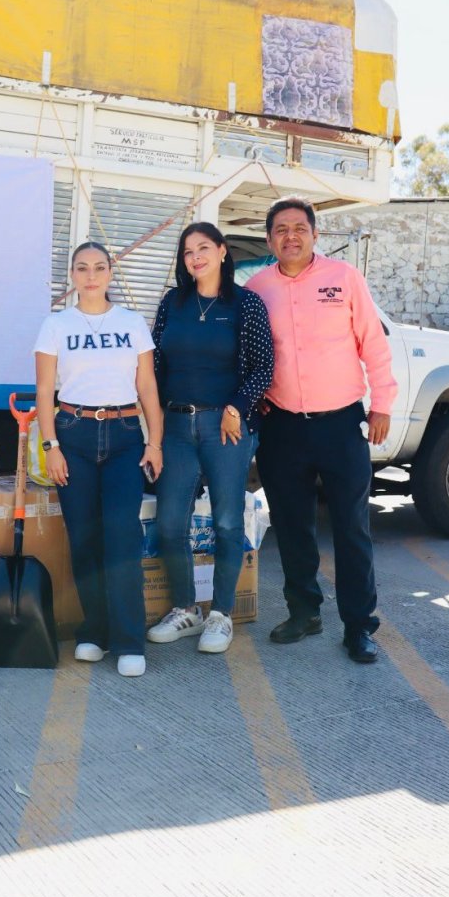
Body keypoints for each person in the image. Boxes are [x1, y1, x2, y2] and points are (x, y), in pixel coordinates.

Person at [246, 197, 397, 664]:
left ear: (314, 234)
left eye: (299, 228)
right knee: (293, 527)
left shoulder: (344, 279)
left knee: (352, 528)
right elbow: (248, 357)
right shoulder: (256, 288)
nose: (290, 236)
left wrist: (383, 405)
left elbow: (373, 344)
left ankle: (358, 627)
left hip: (340, 424)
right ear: (270, 239)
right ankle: (304, 611)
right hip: (282, 427)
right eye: (280, 229)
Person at [34, 242, 164, 678]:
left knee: (122, 536)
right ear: (72, 275)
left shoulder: (131, 323)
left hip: (126, 435)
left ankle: (130, 639)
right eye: (82, 268)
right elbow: (44, 392)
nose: (91, 275)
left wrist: (155, 442)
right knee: (84, 537)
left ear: (111, 272)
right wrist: (51, 446)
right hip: (74, 433)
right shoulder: (56, 325)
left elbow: (147, 387)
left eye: (99, 268)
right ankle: (96, 630)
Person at [147, 223, 274, 655]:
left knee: (225, 521)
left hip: (227, 427)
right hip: (178, 427)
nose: (195, 257)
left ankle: (220, 614)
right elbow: (155, 368)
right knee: (169, 524)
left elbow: (263, 367)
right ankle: (187, 609)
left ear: (222, 252)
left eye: (203, 248)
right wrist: (154, 427)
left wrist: (237, 406)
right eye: (187, 252)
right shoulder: (173, 303)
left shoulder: (246, 304)